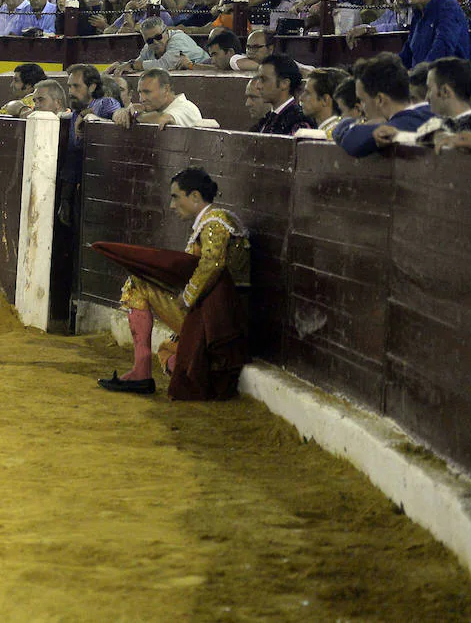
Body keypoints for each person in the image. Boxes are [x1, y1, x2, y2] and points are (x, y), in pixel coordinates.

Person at [95, 166, 250, 399]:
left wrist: (187, 298)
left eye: (176, 197)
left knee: (137, 284)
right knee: (170, 351)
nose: (172, 205)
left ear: (195, 196)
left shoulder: (215, 222)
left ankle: (141, 372)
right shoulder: (214, 221)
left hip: (220, 319)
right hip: (222, 313)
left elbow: (212, 264)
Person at [335, 52, 433, 156]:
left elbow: (351, 138)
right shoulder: (427, 111)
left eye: (363, 100)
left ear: (380, 100)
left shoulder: (405, 123)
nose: (363, 109)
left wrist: (349, 124)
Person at [398, 0, 471, 68]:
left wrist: (418, 75)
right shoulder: (418, 13)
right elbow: (408, 53)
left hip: (448, 80)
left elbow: (443, 48)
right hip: (423, 79)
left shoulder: (447, 6)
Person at [108, 17, 210, 73]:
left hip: (208, 70)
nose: (155, 42)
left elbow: (165, 65)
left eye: (158, 37)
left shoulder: (178, 39)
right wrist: (120, 65)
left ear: (166, 32)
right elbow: (138, 63)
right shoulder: (148, 47)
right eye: (150, 40)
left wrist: (132, 64)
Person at [111, 68, 206, 128]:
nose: (142, 99)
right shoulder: (155, 107)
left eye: (147, 92)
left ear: (166, 89)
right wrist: (121, 112)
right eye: (140, 93)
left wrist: (135, 116)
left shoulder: (186, 108)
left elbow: (162, 119)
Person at [252, 54, 315, 134]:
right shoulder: (266, 119)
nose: (258, 86)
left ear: (284, 83)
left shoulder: (299, 122)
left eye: (264, 80)